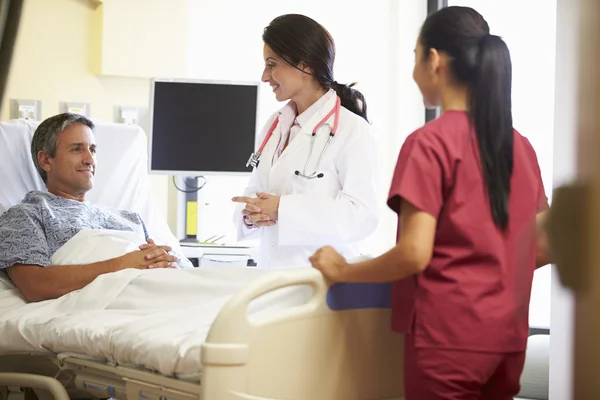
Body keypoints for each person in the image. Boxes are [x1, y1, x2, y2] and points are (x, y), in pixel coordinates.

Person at [309, 6, 552, 400]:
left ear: (434, 60)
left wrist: (342, 270)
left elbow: (415, 253)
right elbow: (542, 247)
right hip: (508, 338)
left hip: (448, 339)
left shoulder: (429, 143)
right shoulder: (520, 146)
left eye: (415, 57)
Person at [231, 14, 380, 269]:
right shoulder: (274, 125)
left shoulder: (351, 129)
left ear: (305, 65)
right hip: (271, 277)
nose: (265, 76)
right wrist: (250, 216)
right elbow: (255, 190)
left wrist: (283, 210)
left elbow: (362, 216)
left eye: (271, 64)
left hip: (321, 282)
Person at [0, 113, 192, 303]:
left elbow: (183, 271)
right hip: (122, 304)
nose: (90, 160)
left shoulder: (130, 218)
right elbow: (37, 286)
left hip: (167, 293)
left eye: (92, 150)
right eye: (77, 149)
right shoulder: (25, 216)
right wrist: (125, 264)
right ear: (46, 161)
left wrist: (166, 260)